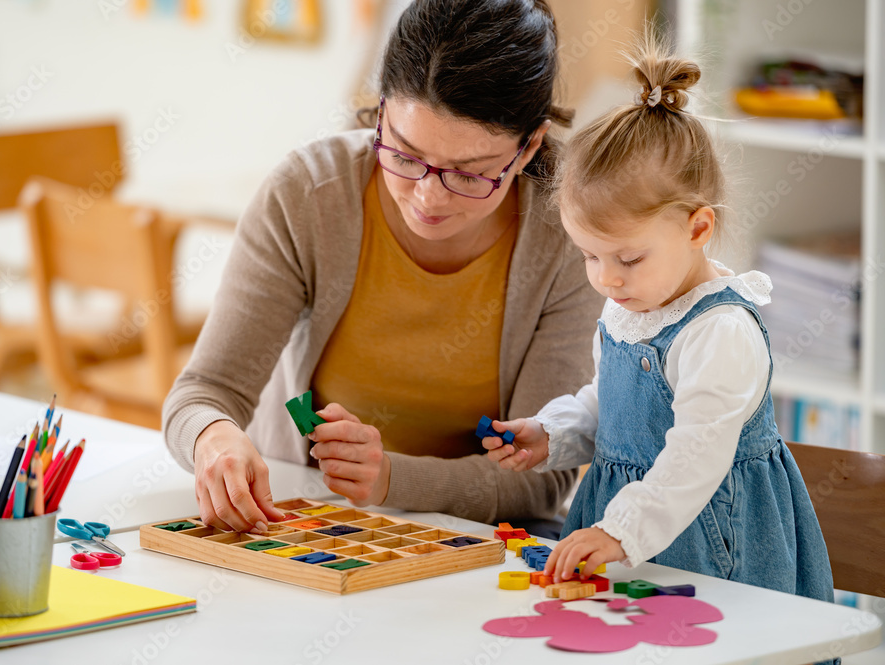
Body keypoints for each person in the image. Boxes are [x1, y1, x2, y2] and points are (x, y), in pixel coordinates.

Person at [162, 0, 603, 535]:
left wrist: (393, 479)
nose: (426, 197)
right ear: (382, 107)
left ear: (530, 145)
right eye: (405, 152)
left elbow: (542, 478)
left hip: (482, 546)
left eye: (468, 174)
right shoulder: (308, 195)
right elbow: (204, 392)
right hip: (310, 521)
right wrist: (215, 438)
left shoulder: (569, 239)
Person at [482, 33, 834, 604]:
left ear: (698, 228)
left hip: (713, 541)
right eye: (589, 256)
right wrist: (553, 434)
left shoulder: (720, 331)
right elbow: (611, 404)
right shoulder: (631, 303)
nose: (606, 279)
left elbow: (695, 453)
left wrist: (621, 530)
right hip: (623, 531)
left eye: (628, 258)